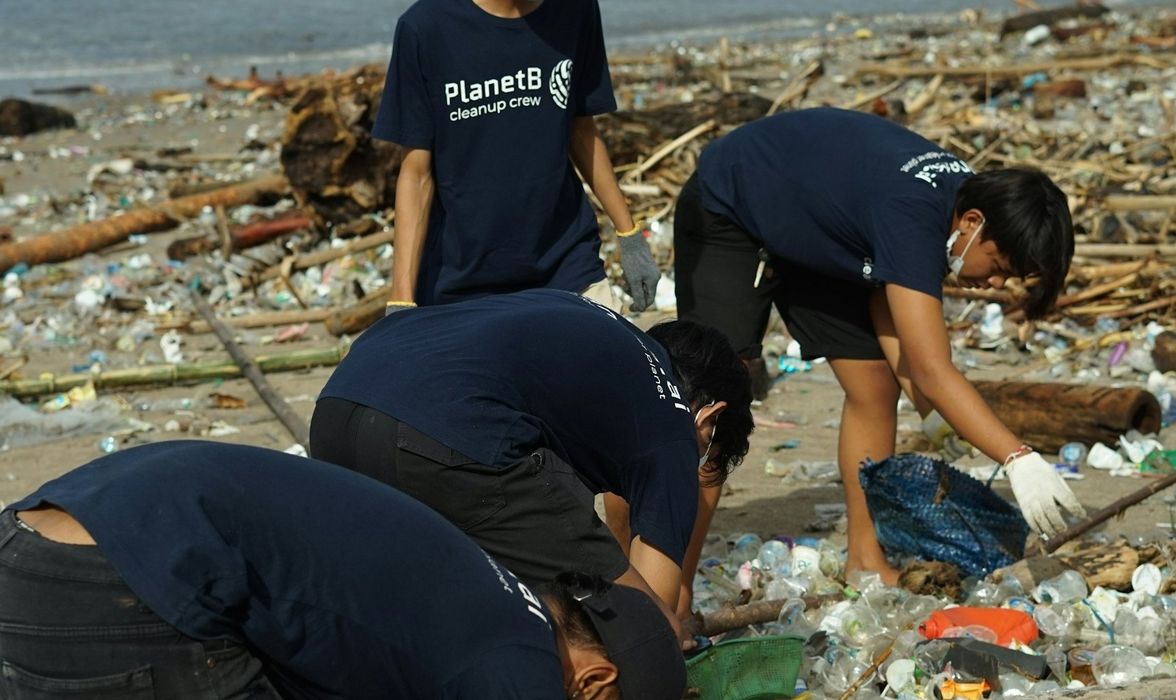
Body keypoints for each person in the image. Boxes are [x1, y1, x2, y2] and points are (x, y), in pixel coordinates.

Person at [673, 107, 1085, 583]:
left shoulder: (964, 210)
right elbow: (932, 368)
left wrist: (930, 412)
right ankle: (670, 585)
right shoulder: (915, 214)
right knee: (716, 403)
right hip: (733, 201)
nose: (994, 283)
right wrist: (1017, 458)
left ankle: (865, 560)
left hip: (819, 227)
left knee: (873, 384)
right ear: (973, 223)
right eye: (998, 267)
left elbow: (890, 310)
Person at [0, 440, 686, 699]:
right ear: (594, 681)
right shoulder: (522, 668)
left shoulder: (491, 593)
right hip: (122, 585)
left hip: (32, 544)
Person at [310, 289, 753, 630]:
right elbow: (650, 613)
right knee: (643, 635)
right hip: (443, 439)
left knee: (417, 606)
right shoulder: (675, 421)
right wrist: (668, 629)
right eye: (705, 449)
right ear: (710, 416)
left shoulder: (593, 324)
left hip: (340, 405)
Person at [373, 0, 659, 314]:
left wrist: (629, 236)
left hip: (567, 264)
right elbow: (416, 174)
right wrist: (401, 300)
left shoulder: (575, 10)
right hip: (461, 281)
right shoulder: (425, 27)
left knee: (610, 345)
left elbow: (582, 130)